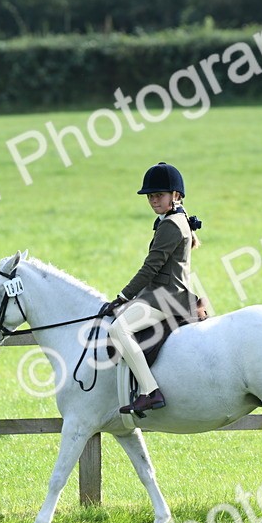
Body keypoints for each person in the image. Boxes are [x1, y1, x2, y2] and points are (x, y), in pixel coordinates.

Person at [104, 162, 201, 414]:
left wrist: (123, 296)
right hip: (162, 293)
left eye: (159, 195)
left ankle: (149, 391)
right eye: (150, 196)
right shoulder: (175, 218)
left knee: (118, 330)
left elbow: (151, 268)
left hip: (166, 297)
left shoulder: (170, 225)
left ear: (175, 196)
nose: (153, 200)